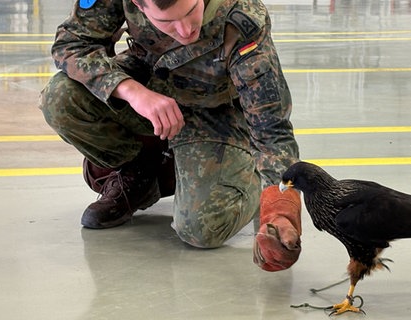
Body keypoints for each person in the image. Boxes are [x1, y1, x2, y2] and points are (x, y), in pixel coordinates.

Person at [40, 0, 302, 271]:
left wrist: (279, 209)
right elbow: (70, 45)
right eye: (168, 22)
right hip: (149, 86)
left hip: (214, 111)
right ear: (137, 5)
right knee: (60, 98)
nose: (187, 30)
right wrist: (131, 90)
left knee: (202, 229)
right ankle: (140, 174)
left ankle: (246, 177)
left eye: (191, 12)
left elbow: (273, 130)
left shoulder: (242, 16)